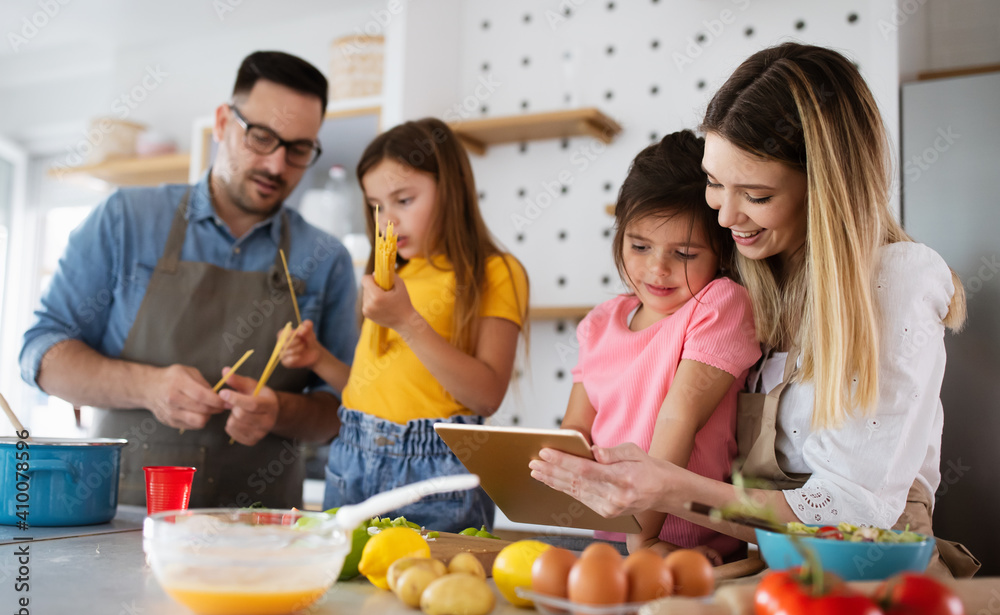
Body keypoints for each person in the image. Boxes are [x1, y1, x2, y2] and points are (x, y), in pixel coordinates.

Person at [529, 42, 979, 577]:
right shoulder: (750, 280)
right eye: (715, 184)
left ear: (826, 189)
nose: (724, 215)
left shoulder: (894, 280)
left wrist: (667, 488)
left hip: (862, 575)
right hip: (764, 562)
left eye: (757, 195)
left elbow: (855, 515)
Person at [19, 51, 358, 509]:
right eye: (261, 138)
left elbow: (343, 410)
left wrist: (280, 411)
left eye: (298, 149)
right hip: (123, 519)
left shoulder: (325, 259)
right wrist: (147, 387)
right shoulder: (126, 220)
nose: (277, 166)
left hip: (262, 534)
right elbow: (42, 355)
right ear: (223, 123)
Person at [279, 118, 529, 533]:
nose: (387, 222)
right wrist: (318, 359)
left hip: (437, 471)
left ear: (451, 188)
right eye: (377, 205)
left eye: (404, 200)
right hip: (352, 457)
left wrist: (408, 321)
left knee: (430, 592)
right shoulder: (386, 276)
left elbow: (486, 396)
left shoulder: (495, 272)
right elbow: (372, 389)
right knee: (343, 590)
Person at [563, 130, 759, 563]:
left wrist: (644, 539)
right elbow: (577, 426)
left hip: (690, 545)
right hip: (609, 537)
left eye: (685, 254)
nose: (658, 268)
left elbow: (679, 419)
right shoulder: (599, 323)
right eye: (639, 246)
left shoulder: (720, 304)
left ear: (721, 253)